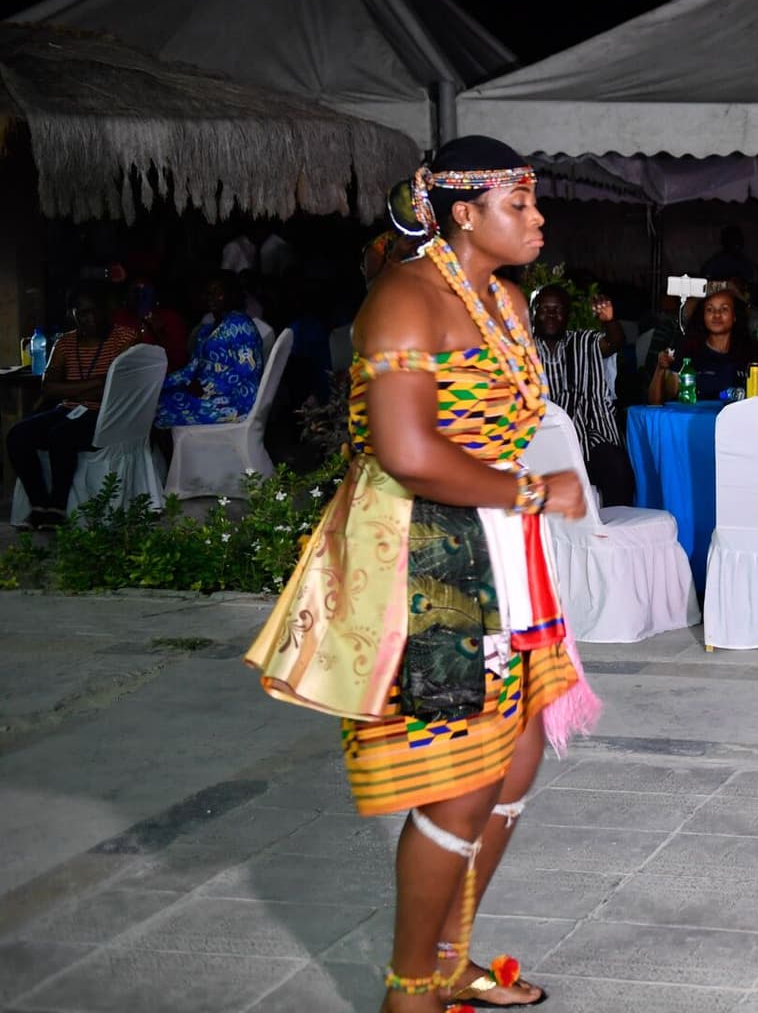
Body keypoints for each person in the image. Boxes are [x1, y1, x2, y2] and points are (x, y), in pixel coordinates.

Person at [243, 136, 595, 1013]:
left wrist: (524, 503)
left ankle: (451, 959)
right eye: (521, 204)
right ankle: (411, 995)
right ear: (465, 214)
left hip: (501, 548)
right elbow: (405, 451)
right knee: (461, 779)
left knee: (513, 766)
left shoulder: (506, 298)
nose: (538, 217)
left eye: (535, 202)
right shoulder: (405, 300)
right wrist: (532, 489)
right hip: (425, 555)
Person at [7, 284, 140, 527]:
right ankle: (39, 504)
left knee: (62, 436)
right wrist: (98, 382)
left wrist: (76, 386)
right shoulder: (65, 343)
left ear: (105, 310)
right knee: (17, 435)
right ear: (72, 314)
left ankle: (57, 507)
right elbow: (49, 387)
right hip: (68, 409)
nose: (89, 318)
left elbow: (116, 389)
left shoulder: (124, 338)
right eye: (81, 313)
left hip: (105, 414)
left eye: (93, 311)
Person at [532, 283, 636, 507]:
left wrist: (609, 320)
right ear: (534, 313)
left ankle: (612, 533)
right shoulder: (522, 349)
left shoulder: (583, 342)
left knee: (617, 465)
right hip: (538, 441)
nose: (551, 315)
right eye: (544, 309)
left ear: (568, 315)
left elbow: (615, 341)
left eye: (558, 309)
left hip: (587, 437)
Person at [154, 272, 266, 428]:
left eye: (218, 293)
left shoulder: (240, 325)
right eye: (208, 293)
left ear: (230, 294)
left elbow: (247, 374)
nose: (211, 298)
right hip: (204, 391)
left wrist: (207, 389)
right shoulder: (207, 330)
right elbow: (193, 367)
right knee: (155, 397)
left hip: (233, 402)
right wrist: (163, 382)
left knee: (161, 407)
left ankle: (173, 450)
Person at [647, 284, 758, 403]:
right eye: (710, 309)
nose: (716, 314)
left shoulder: (753, 354)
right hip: (694, 424)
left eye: (724, 309)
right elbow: (656, 402)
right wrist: (660, 369)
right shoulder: (687, 351)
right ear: (702, 316)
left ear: (735, 316)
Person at [110, 275, 189, 371]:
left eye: (145, 291)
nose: (140, 296)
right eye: (135, 291)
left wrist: (160, 332)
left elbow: (180, 360)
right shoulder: (119, 318)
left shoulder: (169, 318)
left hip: (163, 377)